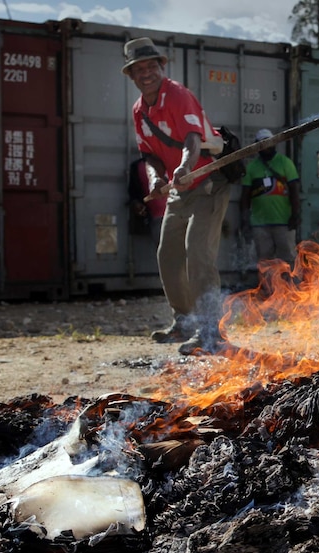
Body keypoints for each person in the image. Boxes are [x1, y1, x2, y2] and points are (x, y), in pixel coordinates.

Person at [122, 37, 231, 355]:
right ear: (131, 76)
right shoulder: (139, 111)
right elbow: (148, 154)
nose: (146, 73)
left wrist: (184, 166)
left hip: (207, 181)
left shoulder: (178, 95)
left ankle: (211, 331)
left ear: (161, 67)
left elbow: (192, 139)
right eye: (139, 69)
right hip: (179, 189)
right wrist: (156, 178)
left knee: (198, 254)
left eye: (151, 66)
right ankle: (184, 321)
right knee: (167, 255)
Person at [239, 129, 301, 266]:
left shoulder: (285, 163)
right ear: (256, 146)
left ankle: (291, 287)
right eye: (261, 143)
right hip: (260, 224)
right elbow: (245, 196)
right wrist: (245, 220)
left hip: (284, 222)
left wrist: (295, 215)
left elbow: (294, 190)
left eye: (268, 142)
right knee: (265, 263)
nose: (266, 146)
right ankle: (268, 288)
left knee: (288, 259)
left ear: (274, 144)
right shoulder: (251, 168)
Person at [127, 157, 167, 246]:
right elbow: (133, 193)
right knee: (165, 253)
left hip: (178, 215)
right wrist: (136, 204)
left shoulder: (170, 158)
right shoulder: (137, 166)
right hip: (156, 218)